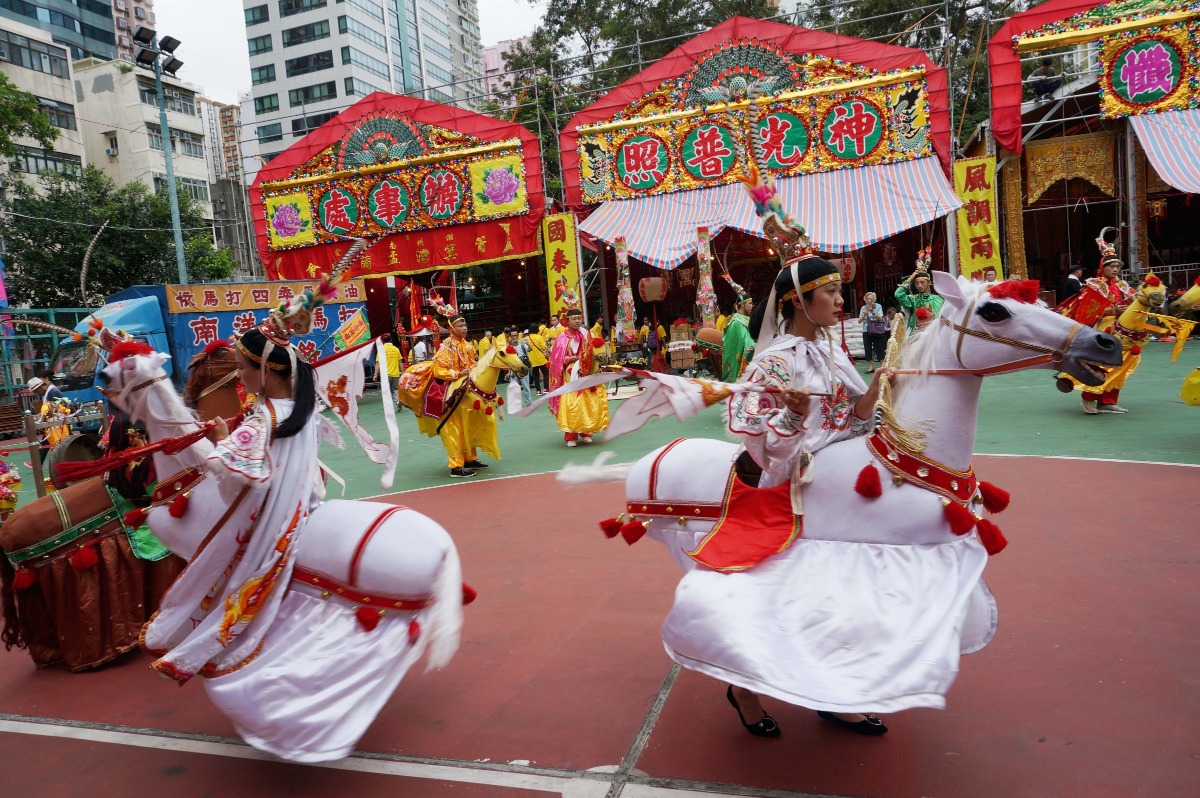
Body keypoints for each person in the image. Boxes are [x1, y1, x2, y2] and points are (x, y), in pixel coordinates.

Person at [723, 256, 893, 737]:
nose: (842, 301)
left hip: (839, 483)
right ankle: (746, 688)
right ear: (798, 301)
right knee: (791, 601)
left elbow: (852, 421)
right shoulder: (772, 363)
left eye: (841, 291)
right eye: (830, 293)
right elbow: (763, 445)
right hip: (793, 488)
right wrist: (793, 416)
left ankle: (833, 692)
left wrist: (874, 391)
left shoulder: (834, 354)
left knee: (850, 598)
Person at [142, 309, 324, 684]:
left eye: (242, 369)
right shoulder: (299, 410)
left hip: (274, 520)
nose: (239, 378)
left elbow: (222, 468)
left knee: (223, 559)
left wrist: (220, 438)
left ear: (267, 370)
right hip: (304, 506)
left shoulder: (264, 419)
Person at [1078, 234, 1135, 414]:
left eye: (1118, 266)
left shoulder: (1123, 286)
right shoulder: (1095, 286)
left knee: (1121, 364)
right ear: (1103, 267)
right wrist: (1111, 311)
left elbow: (1134, 302)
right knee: (1100, 364)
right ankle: (1089, 398)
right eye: (1112, 265)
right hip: (1101, 329)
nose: (1116, 269)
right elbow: (1086, 311)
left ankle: (1108, 400)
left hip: (1122, 330)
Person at [433, 312, 488, 476]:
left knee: (468, 425)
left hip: (466, 391)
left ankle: (470, 459)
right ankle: (456, 466)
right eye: (460, 326)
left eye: (465, 326)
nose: (464, 328)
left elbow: (473, 364)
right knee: (455, 427)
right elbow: (438, 370)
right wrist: (458, 373)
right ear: (451, 328)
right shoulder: (446, 346)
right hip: (451, 393)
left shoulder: (468, 346)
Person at [548, 308, 609, 447]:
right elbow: (557, 359)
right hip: (571, 374)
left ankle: (586, 433)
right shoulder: (562, 337)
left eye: (579, 318)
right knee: (572, 404)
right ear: (567, 320)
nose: (577, 321)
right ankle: (571, 436)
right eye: (573, 319)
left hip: (587, 371)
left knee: (587, 402)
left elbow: (596, 350)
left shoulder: (587, 334)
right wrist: (571, 358)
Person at [894, 250, 944, 332]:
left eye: (922, 282)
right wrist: (910, 279)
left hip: (934, 333)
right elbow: (898, 294)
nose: (919, 286)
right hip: (917, 333)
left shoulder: (938, 299)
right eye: (916, 283)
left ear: (929, 283)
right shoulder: (914, 299)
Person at [721, 283, 755, 382]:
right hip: (737, 358)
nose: (752, 306)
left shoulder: (746, 320)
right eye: (750, 303)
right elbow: (746, 342)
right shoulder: (737, 322)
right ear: (742, 305)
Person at [857, 291, 887, 373]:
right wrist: (864, 315)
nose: (869, 300)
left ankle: (881, 367)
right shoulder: (863, 308)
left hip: (877, 329)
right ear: (865, 299)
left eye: (871, 299)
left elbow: (880, 318)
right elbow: (859, 321)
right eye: (868, 299)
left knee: (880, 348)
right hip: (866, 330)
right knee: (867, 348)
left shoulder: (878, 306)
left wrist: (872, 312)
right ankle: (870, 367)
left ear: (874, 299)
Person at [525, 326, 549, 394]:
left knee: (535, 375)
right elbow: (544, 347)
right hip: (540, 358)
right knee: (545, 373)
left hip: (532, 359)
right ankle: (546, 388)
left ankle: (538, 391)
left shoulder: (526, 338)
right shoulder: (539, 337)